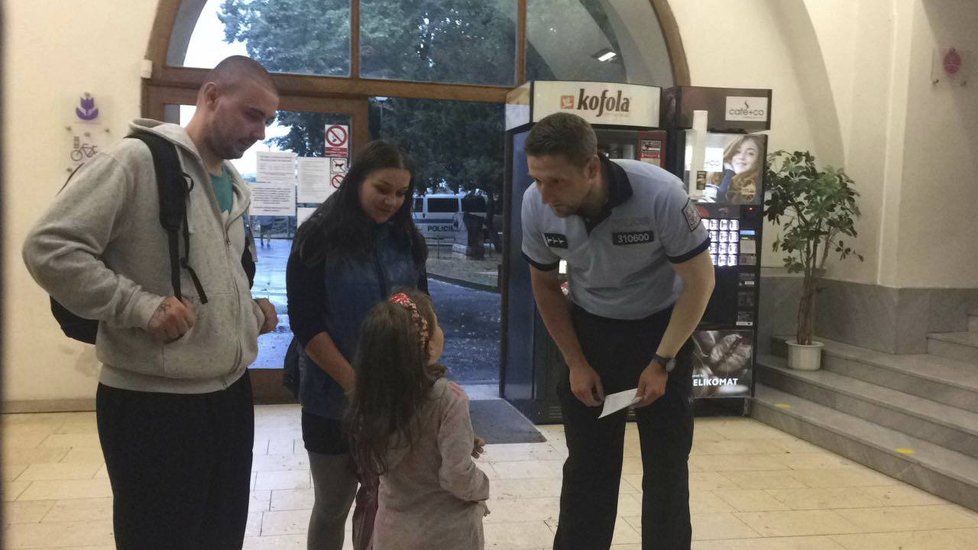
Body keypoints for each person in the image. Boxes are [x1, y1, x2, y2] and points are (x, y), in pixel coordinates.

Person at [21, 55, 280, 549]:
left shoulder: (233, 185)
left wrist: (249, 313)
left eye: (269, 120)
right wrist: (138, 306)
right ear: (210, 96)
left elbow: (204, 277)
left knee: (220, 536)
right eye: (252, 114)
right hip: (153, 406)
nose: (262, 131)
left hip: (228, 398)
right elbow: (48, 246)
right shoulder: (135, 161)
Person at [520, 113, 715, 549]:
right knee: (589, 467)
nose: (545, 194)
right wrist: (576, 362)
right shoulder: (536, 204)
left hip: (662, 332)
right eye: (537, 180)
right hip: (591, 333)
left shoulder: (661, 195)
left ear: (591, 167)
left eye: (556, 181)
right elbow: (546, 287)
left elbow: (701, 282)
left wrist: (662, 361)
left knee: (666, 470)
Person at [286, 140, 428, 550]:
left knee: (386, 501)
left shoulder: (406, 239)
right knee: (333, 505)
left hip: (398, 396)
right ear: (355, 182)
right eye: (382, 189)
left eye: (402, 193)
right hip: (332, 399)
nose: (392, 201)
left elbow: (420, 303)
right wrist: (358, 389)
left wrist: (430, 345)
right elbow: (307, 326)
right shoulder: (316, 237)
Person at [348, 290, 490, 550]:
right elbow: (456, 475)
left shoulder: (370, 399)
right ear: (428, 343)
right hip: (446, 534)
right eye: (437, 322)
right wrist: (481, 487)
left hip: (392, 530)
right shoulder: (449, 398)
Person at [709, 134, 763, 204]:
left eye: (750, 153)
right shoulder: (717, 177)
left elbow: (721, 202)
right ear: (730, 154)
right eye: (737, 151)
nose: (742, 157)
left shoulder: (754, 185)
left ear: (758, 159)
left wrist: (729, 172)